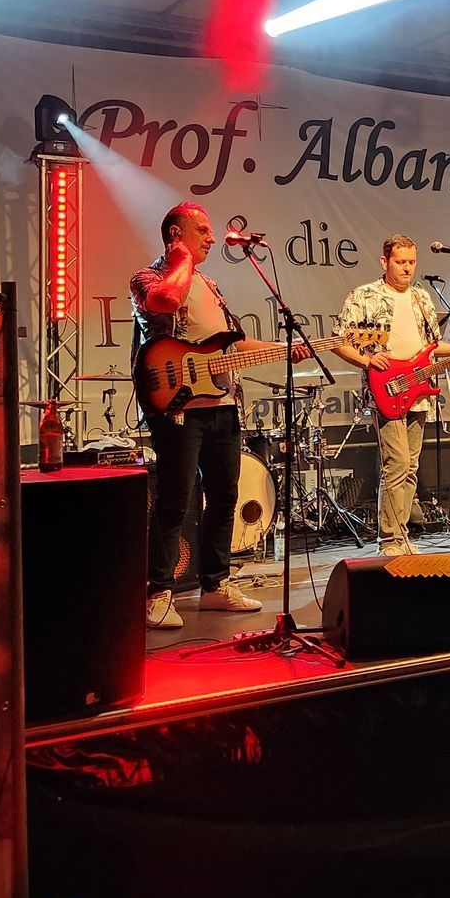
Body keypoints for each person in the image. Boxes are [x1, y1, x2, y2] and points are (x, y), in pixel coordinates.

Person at [132, 202, 309, 628]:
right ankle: (159, 592)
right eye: (202, 230)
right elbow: (165, 301)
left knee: (224, 495)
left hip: (222, 405)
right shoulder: (148, 277)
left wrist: (284, 349)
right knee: (175, 498)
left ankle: (215, 585)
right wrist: (181, 258)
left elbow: (231, 345)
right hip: (178, 408)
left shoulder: (210, 285)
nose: (212, 238)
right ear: (176, 234)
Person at [331, 234, 450, 554]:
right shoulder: (364, 296)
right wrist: (367, 360)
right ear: (384, 261)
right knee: (397, 463)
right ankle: (389, 539)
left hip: (418, 389)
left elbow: (432, 346)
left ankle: (401, 536)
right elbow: (338, 341)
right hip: (386, 389)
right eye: (400, 262)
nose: (407, 268)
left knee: (411, 466)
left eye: (411, 262)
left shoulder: (421, 297)